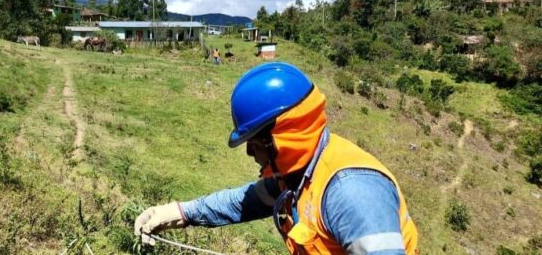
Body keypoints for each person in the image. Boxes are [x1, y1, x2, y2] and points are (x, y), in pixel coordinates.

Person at [134, 62, 418, 255]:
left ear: (285, 135)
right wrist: (180, 213)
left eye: (255, 144)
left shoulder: (351, 193)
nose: (249, 153)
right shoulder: (299, 176)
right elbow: (243, 202)